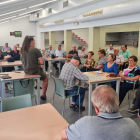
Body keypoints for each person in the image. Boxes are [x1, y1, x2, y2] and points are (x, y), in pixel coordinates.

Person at [61, 85, 140, 140]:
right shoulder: (132, 126)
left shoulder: (85, 123)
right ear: (117, 103)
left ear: (96, 108)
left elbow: (64, 135)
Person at [20, 36, 48, 100]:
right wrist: (37, 64)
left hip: (26, 71)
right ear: (31, 41)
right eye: (34, 41)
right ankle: (43, 95)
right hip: (34, 71)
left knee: (35, 76)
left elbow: (22, 61)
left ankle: (35, 85)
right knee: (45, 79)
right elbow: (41, 62)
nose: (35, 43)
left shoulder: (22, 50)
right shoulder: (35, 49)